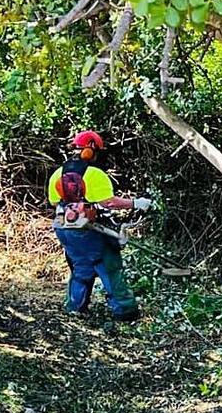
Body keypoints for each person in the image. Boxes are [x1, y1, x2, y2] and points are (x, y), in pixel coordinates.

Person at [47, 130, 152, 322]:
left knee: (80, 268)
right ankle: (126, 311)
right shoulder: (94, 174)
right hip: (88, 230)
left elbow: (54, 202)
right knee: (109, 267)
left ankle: (74, 308)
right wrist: (136, 203)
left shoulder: (57, 173)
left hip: (63, 228)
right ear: (90, 150)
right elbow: (109, 202)